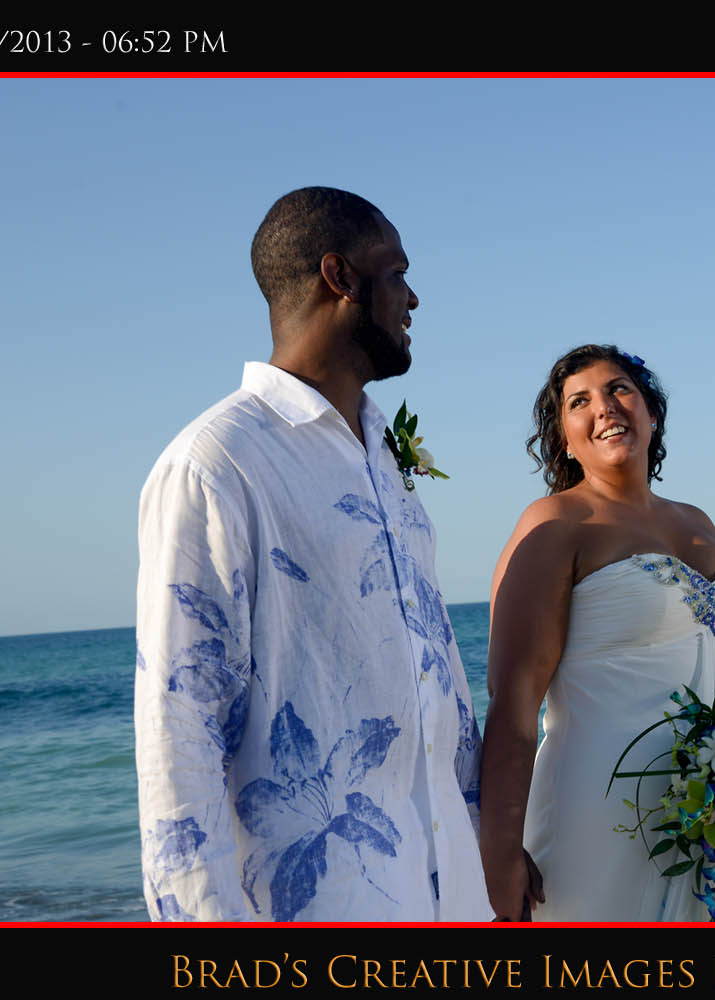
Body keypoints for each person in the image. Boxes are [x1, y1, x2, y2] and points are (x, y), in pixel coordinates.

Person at [134, 187, 495, 921]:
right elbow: (181, 727)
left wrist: (482, 856)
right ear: (340, 277)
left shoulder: (385, 458)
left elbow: (439, 685)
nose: (413, 298)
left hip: (446, 893)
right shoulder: (217, 464)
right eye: (397, 273)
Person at [478, 345, 715, 921]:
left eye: (619, 389)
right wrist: (498, 853)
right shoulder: (555, 524)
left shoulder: (698, 521)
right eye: (579, 401)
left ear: (651, 412)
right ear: (565, 439)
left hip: (711, 818)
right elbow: (513, 700)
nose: (605, 407)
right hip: (599, 818)